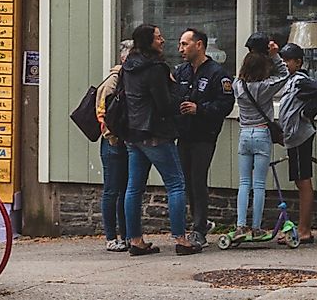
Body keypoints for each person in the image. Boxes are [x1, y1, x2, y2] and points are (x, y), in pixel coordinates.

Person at [117, 23, 191, 254]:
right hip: (155, 133)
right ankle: (181, 239)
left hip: (132, 133)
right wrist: (176, 88)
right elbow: (164, 105)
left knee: (134, 188)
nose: (163, 40)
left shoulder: (128, 66)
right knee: (176, 184)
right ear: (149, 41)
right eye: (158, 37)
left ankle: (135, 240)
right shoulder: (156, 68)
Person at [170, 26, 230, 250]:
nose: (180, 49)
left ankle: (199, 229)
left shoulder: (217, 73)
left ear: (199, 45)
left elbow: (225, 104)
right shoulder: (182, 72)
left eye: (185, 44)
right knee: (186, 181)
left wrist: (200, 109)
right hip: (183, 134)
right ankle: (198, 222)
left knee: (198, 179)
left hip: (204, 134)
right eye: (180, 45)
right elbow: (172, 96)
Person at [274, 42, 317, 244]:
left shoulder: (299, 80)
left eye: (287, 60)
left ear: (298, 62)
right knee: (300, 180)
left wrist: (307, 113)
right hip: (294, 137)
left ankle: (304, 229)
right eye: (281, 60)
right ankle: (301, 227)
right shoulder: (290, 81)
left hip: (301, 136)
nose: (284, 64)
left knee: (303, 181)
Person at [232, 37, 283, 238]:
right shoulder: (266, 86)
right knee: (259, 184)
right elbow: (284, 74)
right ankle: (256, 227)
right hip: (262, 133)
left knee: (244, 182)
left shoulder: (238, 85)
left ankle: (240, 225)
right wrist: (275, 56)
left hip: (244, 133)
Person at [95, 43, 131, 251]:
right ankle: (111, 236)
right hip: (113, 143)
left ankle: (126, 235)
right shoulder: (113, 81)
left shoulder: (129, 79)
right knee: (112, 190)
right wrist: (111, 136)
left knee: (125, 190)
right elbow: (102, 112)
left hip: (125, 141)